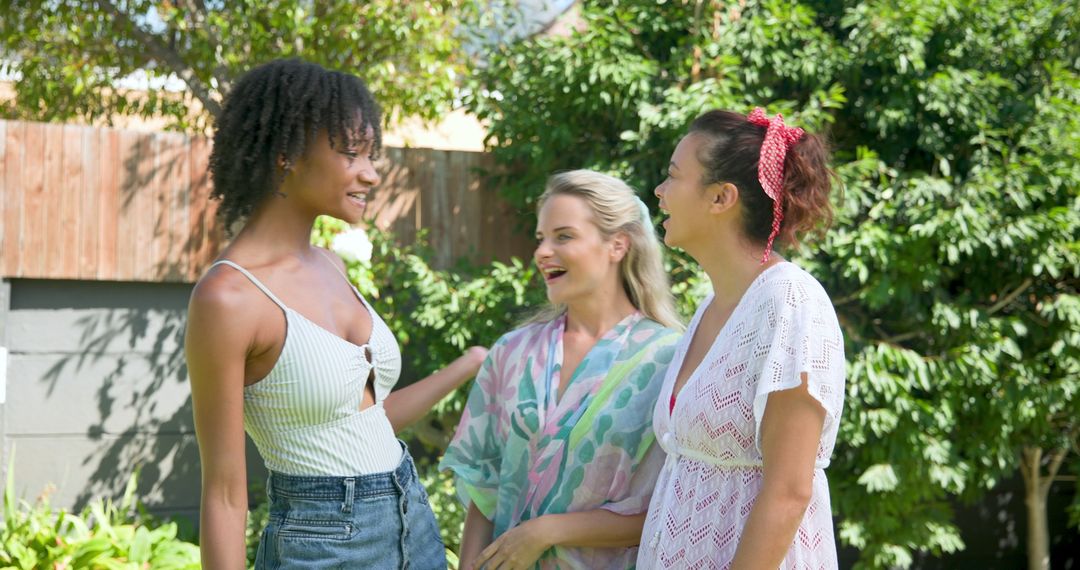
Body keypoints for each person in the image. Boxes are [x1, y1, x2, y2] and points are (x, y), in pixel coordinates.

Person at [185, 58, 486, 570]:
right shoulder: (229, 298)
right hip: (321, 543)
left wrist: (469, 363)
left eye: (372, 154)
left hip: (412, 519)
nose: (371, 173)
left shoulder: (331, 263)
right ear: (287, 155)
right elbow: (225, 495)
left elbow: (371, 423)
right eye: (352, 154)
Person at [440, 170, 683, 569]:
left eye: (563, 236)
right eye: (541, 238)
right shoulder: (512, 353)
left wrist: (548, 530)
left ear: (617, 245)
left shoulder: (668, 360)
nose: (543, 251)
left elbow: (670, 505)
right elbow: (484, 491)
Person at [637, 108, 846, 569]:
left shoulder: (790, 302)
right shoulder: (713, 307)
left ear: (721, 198)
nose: (660, 191)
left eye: (673, 177)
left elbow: (789, 491)